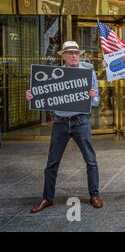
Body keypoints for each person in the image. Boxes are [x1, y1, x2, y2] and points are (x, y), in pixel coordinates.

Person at [25, 41, 103, 213]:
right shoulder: (54, 74)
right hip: (60, 123)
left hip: (80, 121)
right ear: (64, 56)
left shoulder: (88, 73)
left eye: (76, 52)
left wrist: (92, 96)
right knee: (52, 162)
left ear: (80, 55)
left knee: (91, 160)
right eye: (70, 53)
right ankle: (47, 198)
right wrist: (32, 96)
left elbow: (96, 101)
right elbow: (41, 95)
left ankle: (94, 195)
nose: (74, 55)